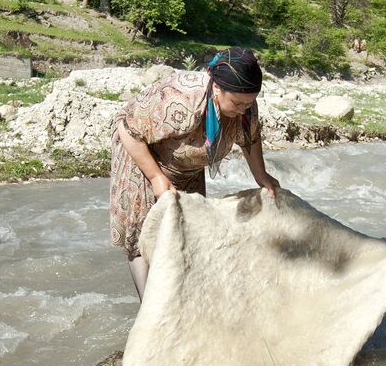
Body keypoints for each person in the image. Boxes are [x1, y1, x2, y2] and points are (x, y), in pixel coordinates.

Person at [109, 47, 281, 298]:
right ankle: (149, 308)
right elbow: (128, 129)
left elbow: (250, 137)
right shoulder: (181, 97)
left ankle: (180, 299)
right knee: (143, 236)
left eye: (250, 103)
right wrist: (157, 177)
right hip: (143, 158)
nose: (244, 110)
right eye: (238, 103)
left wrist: (260, 174)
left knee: (185, 229)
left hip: (185, 165)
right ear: (218, 89)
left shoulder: (244, 108)